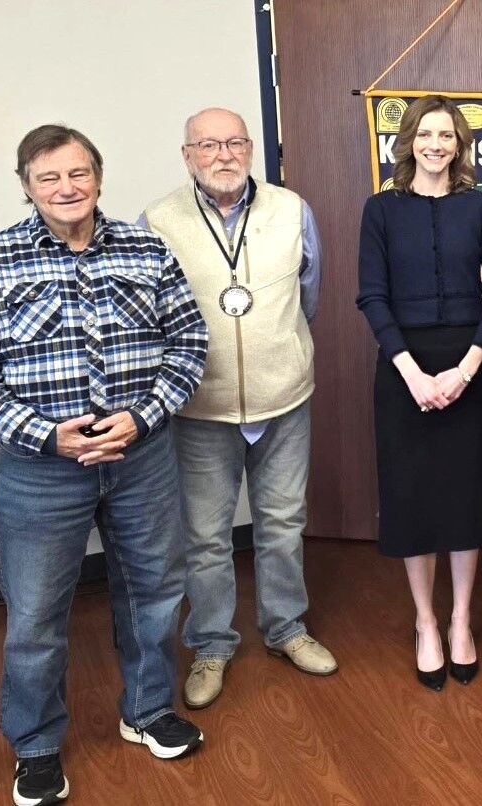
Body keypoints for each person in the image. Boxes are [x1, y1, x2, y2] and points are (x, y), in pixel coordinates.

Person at [0, 124, 209, 806]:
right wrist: (49, 436)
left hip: (140, 455)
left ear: (97, 176)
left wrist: (142, 416)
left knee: (154, 591)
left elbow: (188, 344)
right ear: (27, 187)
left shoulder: (148, 249)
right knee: (36, 615)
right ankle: (35, 746)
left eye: (77, 173)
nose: (66, 188)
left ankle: (148, 711)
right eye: (49, 178)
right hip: (41, 468)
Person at [140, 108, 335, 710]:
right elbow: (148, 315)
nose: (223, 155)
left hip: (284, 401)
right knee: (204, 537)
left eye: (234, 142)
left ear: (251, 148)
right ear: (187, 155)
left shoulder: (292, 210)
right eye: (207, 145)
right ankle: (211, 645)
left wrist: (279, 351)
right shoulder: (157, 221)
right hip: (201, 406)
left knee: (283, 523)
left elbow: (309, 295)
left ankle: (286, 629)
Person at [356, 95, 482, 691]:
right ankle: (426, 622)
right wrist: (413, 374)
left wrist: (465, 371)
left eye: (446, 135)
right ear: (409, 142)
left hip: (468, 367)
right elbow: (372, 296)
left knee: (464, 496)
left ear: (460, 144)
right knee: (413, 499)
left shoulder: (481, 209)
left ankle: (461, 619)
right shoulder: (380, 210)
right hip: (404, 370)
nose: (435, 144)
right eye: (425, 133)